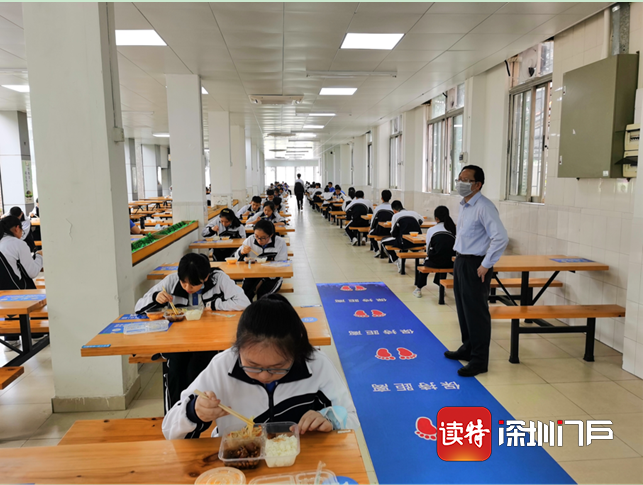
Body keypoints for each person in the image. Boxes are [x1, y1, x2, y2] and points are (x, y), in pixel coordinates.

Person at [162, 294, 359, 439]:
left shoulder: (316, 364)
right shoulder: (224, 365)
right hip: (239, 461)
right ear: (238, 348)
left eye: (278, 367)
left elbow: (352, 418)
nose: (264, 376)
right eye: (253, 366)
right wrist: (194, 412)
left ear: (296, 351)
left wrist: (329, 420)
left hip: (301, 459)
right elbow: (169, 429)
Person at [135, 253, 250, 407]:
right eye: (184, 283)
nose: (188, 288)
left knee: (198, 367)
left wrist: (215, 305)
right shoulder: (171, 281)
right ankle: (176, 411)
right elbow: (138, 308)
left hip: (209, 337)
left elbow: (244, 302)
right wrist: (155, 298)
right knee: (176, 368)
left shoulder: (218, 279)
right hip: (177, 340)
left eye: (194, 284)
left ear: (206, 277)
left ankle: (198, 409)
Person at [446, 165, 508, 378]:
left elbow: (500, 237)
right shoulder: (465, 205)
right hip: (462, 260)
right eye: (459, 179)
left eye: (465, 180)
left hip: (476, 264)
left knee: (476, 313)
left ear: (477, 184)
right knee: (463, 309)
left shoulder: (484, 206)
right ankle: (468, 348)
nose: (460, 183)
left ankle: (479, 360)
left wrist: (486, 264)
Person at [0, 215, 44, 351]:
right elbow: (32, 272)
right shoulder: (18, 244)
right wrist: (40, 256)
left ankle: (11, 337)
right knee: (31, 286)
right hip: (18, 292)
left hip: (3, 295)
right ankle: (36, 332)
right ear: (17, 228)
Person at [234, 219, 288, 301]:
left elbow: (282, 263)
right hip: (252, 275)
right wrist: (242, 252)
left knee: (263, 296)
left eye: (263, 238)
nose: (259, 240)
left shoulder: (280, 242)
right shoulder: (250, 240)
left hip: (272, 277)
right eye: (256, 236)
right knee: (245, 296)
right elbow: (236, 257)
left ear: (271, 235)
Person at [413, 206, 456, 298]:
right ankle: (440, 286)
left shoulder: (431, 230)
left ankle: (418, 288)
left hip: (435, 262)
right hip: (450, 262)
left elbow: (428, 250)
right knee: (443, 258)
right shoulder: (453, 229)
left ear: (436, 218)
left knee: (426, 262)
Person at [381, 201, 424, 272]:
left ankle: (396, 260)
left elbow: (393, 233)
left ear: (394, 211)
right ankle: (401, 261)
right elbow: (421, 220)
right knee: (403, 239)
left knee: (383, 241)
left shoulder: (395, 216)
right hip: (417, 242)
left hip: (403, 243)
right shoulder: (414, 213)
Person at [369, 190, 393, 256]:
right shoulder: (392, 209)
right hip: (390, 231)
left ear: (381, 198)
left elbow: (373, 221)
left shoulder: (378, 208)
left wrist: (371, 228)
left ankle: (377, 250)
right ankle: (387, 250)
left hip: (379, 230)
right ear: (390, 198)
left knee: (370, 233)